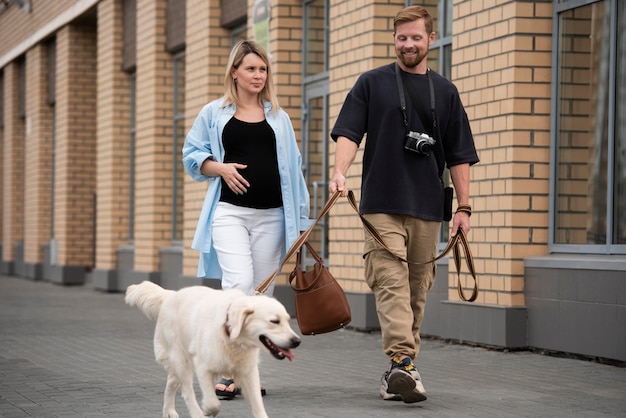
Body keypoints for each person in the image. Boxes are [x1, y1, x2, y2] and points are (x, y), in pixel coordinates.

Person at [329, 6, 479, 404]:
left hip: (429, 205)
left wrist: (464, 209)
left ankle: (401, 371)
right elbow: (348, 132)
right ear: (393, 40)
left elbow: (460, 155)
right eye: (401, 38)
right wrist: (339, 172)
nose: (407, 44)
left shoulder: (445, 92)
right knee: (390, 279)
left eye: (415, 37)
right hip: (380, 202)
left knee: (417, 289)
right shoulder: (371, 83)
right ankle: (401, 359)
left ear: (431, 39)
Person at [182, 39, 312, 398]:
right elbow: (192, 156)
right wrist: (220, 168)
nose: (258, 75)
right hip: (229, 212)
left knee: (261, 295)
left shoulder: (279, 117)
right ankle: (226, 369)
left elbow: (294, 172)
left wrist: (301, 223)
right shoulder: (214, 113)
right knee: (238, 285)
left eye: (263, 69)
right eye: (251, 68)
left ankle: (246, 373)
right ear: (234, 72)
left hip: (273, 217)